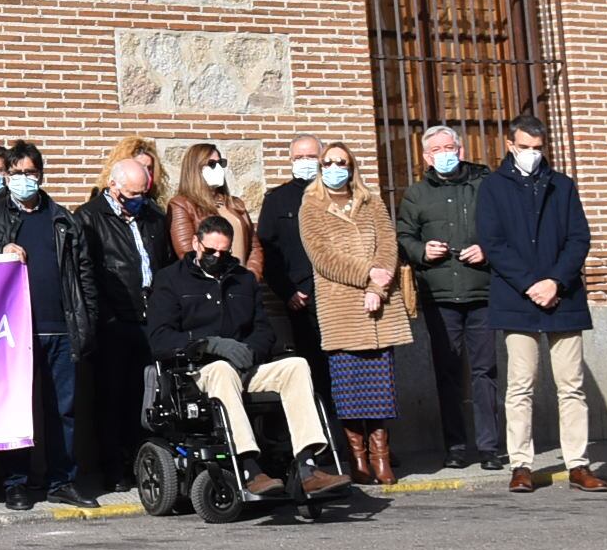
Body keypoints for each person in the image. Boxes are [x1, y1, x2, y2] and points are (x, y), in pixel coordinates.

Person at [145, 211, 348, 500]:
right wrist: (208, 344)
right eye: (210, 250)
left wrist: (251, 350)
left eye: (223, 252)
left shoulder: (243, 280)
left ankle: (307, 465)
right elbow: (160, 339)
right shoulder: (170, 280)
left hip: (245, 366)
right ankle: (250, 468)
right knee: (221, 370)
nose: (217, 256)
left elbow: (264, 329)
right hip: (198, 372)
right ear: (195, 243)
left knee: (296, 365)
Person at [0, 141, 95, 510]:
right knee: (16, 409)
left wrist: (87, 325)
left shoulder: (63, 219)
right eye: (15, 174)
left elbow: (83, 277)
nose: (22, 180)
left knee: (62, 410)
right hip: (12, 332)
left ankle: (62, 481)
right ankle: (15, 483)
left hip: (60, 328)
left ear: (41, 175)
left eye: (29, 173)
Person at [476, 114, 604, 494]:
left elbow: (579, 238)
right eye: (524, 147)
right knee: (520, 385)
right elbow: (492, 241)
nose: (531, 154)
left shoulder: (562, 186)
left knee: (572, 386)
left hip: (562, 297)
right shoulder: (493, 188)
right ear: (510, 146)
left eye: (537, 148)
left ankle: (578, 464)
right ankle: (521, 465)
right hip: (517, 298)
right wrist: (530, 283)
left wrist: (555, 281)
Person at [299, 142, 411, 484]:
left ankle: (381, 458)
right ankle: (358, 460)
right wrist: (366, 275)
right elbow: (323, 258)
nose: (335, 168)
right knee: (349, 391)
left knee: (381, 390)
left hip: (379, 307)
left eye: (342, 162)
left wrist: (377, 288)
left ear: (352, 166)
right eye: (329, 162)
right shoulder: (311, 206)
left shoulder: (371, 200)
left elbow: (388, 245)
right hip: (341, 309)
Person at [395, 124, 504, 472]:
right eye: (437, 150)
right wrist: (422, 250)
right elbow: (403, 237)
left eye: (450, 147)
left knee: (485, 371)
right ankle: (455, 446)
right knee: (448, 373)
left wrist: (487, 250)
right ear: (426, 157)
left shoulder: (486, 186)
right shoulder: (416, 194)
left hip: (482, 291)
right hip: (439, 296)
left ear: (461, 149)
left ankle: (490, 447)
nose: (445, 154)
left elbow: (505, 229)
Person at [74, 153, 172, 494]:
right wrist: (104, 317)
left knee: (147, 397)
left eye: (142, 193)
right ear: (112, 186)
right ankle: (114, 467)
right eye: (131, 194)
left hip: (150, 319)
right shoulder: (89, 218)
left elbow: (164, 263)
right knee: (112, 398)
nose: (138, 201)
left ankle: (145, 461)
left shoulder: (153, 217)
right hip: (115, 320)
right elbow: (88, 273)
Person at [256, 134, 331, 407]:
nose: (305, 162)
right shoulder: (278, 199)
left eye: (311, 156)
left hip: (339, 297)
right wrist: (288, 292)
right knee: (314, 372)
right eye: (299, 157)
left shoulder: (335, 193)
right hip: (301, 301)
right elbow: (267, 249)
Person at [167, 143, 255, 276]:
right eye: (212, 164)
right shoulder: (182, 204)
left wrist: (251, 277)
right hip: (208, 285)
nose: (218, 168)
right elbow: (187, 252)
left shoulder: (235, 204)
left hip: (241, 284)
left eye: (220, 163)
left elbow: (254, 247)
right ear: (195, 168)